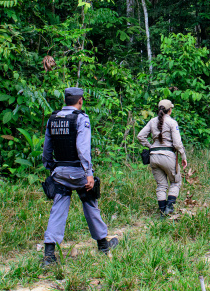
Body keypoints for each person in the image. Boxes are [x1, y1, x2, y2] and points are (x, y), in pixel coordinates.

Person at [41, 87, 118, 266]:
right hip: (78, 172)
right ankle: (103, 245)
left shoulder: (53, 119)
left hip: (60, 173)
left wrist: (51, 167)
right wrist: (88, 173)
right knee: (91, 205)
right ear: (80, 100)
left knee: (57, 210)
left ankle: (49, 254)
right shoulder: (80, 119)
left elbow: (46, 149)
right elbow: (83, 149)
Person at [137, 99, 188, 214]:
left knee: (161, 185)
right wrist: (183, 156)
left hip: (153, 157)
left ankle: (162, 211)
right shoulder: (172, 123)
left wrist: (151, 146)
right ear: (170, 110)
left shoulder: (152, 121)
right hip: (168, 155)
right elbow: (177, 143)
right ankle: (169, 208)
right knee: (175, 182)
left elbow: (140, 136)